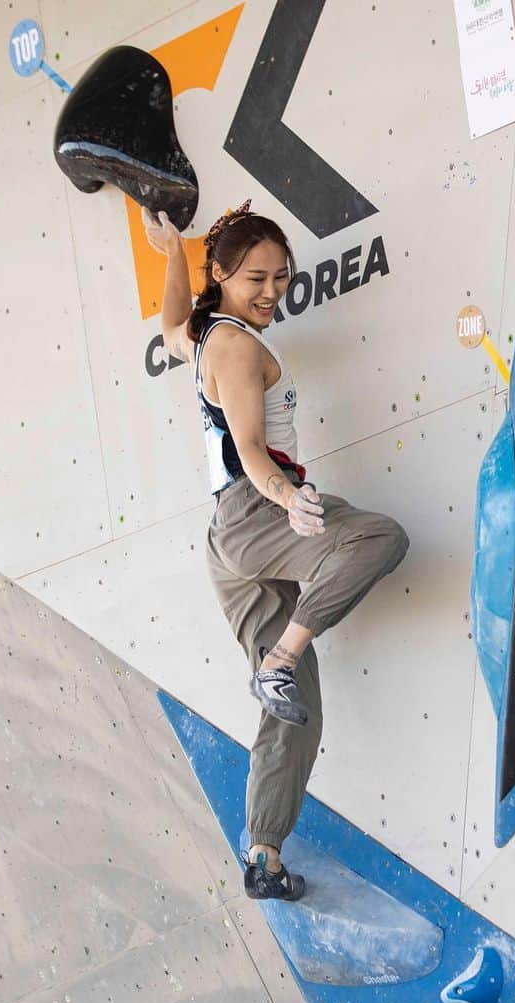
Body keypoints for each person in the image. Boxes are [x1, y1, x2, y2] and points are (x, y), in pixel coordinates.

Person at [142, 201, 409, 902]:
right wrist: (289, 499)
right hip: (257, 511)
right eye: (257, 277)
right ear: (225, 274)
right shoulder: (234, 346)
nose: (271, 292)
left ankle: (263, 853)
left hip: (228, 544)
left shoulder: (205, 335)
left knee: (295, 711)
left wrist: (172, 256)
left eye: (282, 280)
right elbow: (253, 450)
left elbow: (169, 329)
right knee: (380, 537)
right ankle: (282, 659)